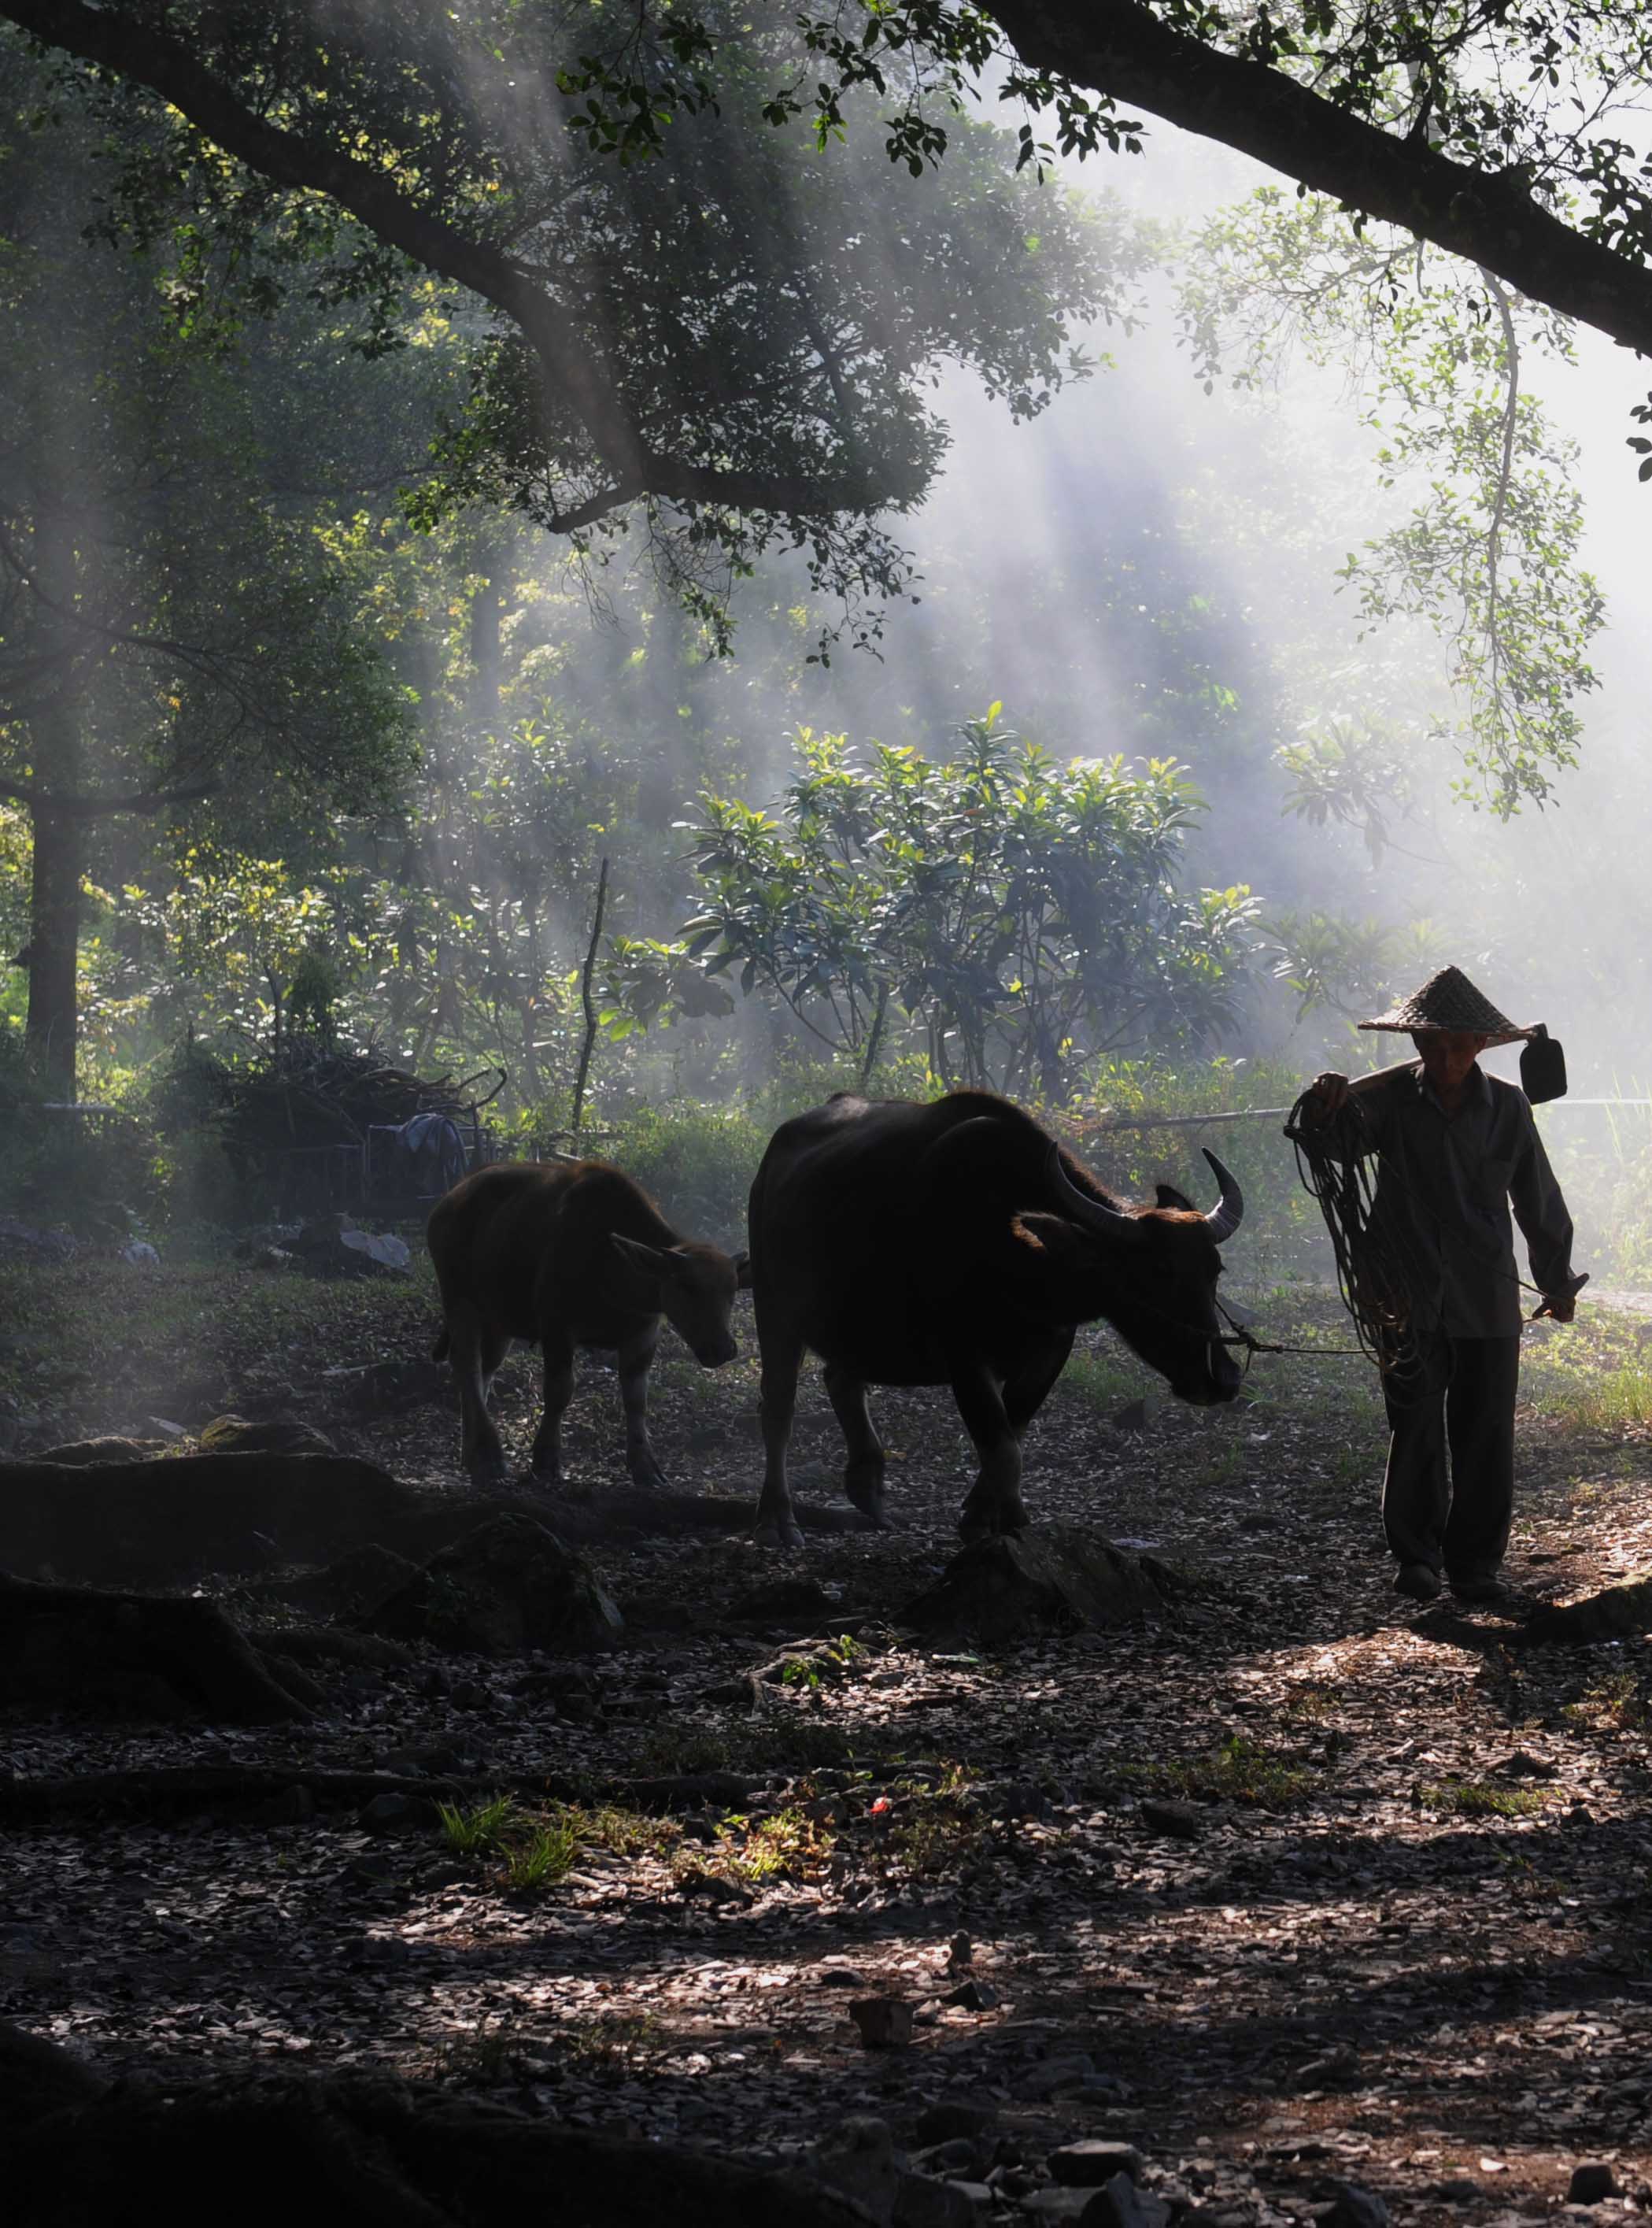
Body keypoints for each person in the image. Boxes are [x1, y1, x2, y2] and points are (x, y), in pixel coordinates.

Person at [1303, 965, 1584, 1604]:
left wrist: (1556, 1277)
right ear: (1415, 1044)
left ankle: (1475, 1567)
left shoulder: (1507, 1107)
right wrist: (1325, 1104)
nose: (1445, 1057)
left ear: (1482, 1045)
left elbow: (1536, 1197)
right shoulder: (1386, 1102)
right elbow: (1329, 1149)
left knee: (1485, 1432)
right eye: (1432, 1044)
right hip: (1402, 1291)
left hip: (1485, 1297)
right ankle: (1417, 1559)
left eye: (1459, 1045)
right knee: (1415, 1425)